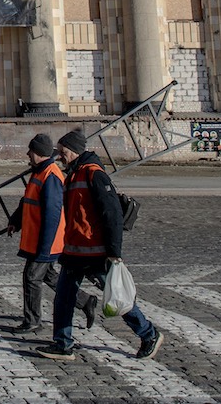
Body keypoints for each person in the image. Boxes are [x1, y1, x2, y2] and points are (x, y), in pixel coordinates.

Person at [39, 130, 163, 362]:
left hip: (94, 253)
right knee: (63, 298)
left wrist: (115, 253)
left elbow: (112, 213)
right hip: (74, 251)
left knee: (118, 297)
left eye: (61, 150)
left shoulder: (93, 174)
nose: (58, 155)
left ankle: (149, 333)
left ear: (73, 150)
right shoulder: (74, 175)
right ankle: (63, 343)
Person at [5, 133, 99, 334]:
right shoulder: (39, 171)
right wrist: (15, 221)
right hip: (38, 238)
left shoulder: (51, 175)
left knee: (32, 277)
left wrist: (45, 248)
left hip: (47, 240)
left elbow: (53, 214)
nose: (27, 153)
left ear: (38, 153)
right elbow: (27, 201)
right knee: (49, 276)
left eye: (31, 150)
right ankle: (85, 301)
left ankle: (33, 321)